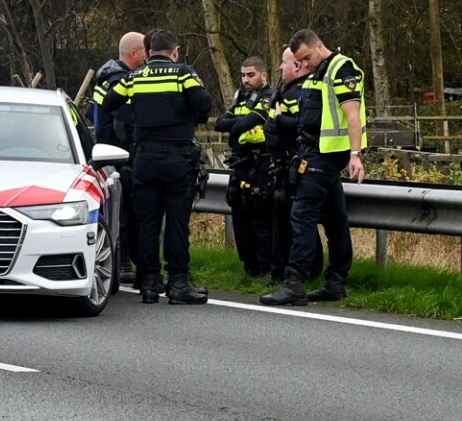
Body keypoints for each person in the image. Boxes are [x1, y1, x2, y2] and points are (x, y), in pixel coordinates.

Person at [105, 28, 213, 304]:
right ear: (174, 51)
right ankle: (178, 282)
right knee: (177, 223)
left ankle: (150, 282)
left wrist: (135, 112)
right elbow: (205, 106)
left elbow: (109, 103)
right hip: (177, 160)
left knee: (147, 223)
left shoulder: (134, 77)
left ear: (149, 52)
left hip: (144, 161)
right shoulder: (183, 73)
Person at [259, 30, 365, 307]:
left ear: (320, 45)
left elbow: (353, 113)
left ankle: (294, 281)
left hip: (327, 154)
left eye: (307, 57)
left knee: (302, 214)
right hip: (315, 151)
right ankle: (335, 282)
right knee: (334, 218)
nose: (304, 64)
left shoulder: (342, 68)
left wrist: (355, 155)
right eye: (300, 60)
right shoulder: (318, 71)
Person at [90, 32, 147, 285]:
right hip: (120, 156)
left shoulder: (104, 78)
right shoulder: (122, 82)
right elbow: (125, 123)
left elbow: (92, 114)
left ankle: (123, 261)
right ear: (133, 54)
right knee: (126, 213)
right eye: (145, 51)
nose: (148, 56)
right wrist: (131, 157)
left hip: (105, 154)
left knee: (120, 212)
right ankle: (124, 263)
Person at [215, 55, 278, 278]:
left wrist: (235, 126)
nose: (245, 79)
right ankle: (250, 268)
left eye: (250, 75)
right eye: (243, 75)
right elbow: (219, 124)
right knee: (240, 218)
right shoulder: (241, 97)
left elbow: (243, 123)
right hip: (240, 165)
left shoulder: (269, 96)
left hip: (261, 164)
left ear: (264, 75)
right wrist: (237, 125)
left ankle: (264, 268)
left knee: (261, 219)